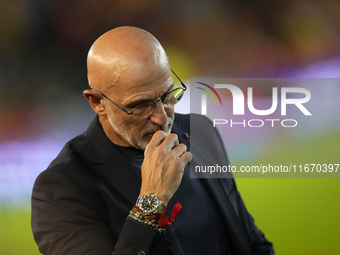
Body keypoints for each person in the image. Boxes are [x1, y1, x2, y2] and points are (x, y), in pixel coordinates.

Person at [31, 26, 274, 255]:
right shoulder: (61, 189)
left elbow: (251, 242)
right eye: (139, 105)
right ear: (97, 102)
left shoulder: (200, 131)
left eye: (168, 95)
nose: (161, 117)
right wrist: (152, 201)